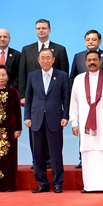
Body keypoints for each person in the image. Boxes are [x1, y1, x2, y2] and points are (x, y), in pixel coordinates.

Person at [69, 50, 103, 193]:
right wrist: (74, 123)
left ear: (100, 61)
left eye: (95, 60)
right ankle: (89, 186)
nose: (92, 62)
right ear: (85, 62)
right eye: (89, 60)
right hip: (85, 126)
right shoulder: (78, 79)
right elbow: (74, 103)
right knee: (87, 153)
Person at [24, 48, 70, 193]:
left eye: (48, 58)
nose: (45, 61)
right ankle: (42, 182)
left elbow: (67, 99)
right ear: (38, 60)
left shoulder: (62, 76)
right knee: (37, 153)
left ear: (53, 60)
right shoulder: (32, 76)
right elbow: (28, 98)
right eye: (42, 58)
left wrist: (65, 116)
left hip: (55, 118)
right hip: (36, 118)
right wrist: (27, 117)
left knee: (56, 152)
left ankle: (58, 183)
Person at [18, 19, 70, 97]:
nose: (41, 30)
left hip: (54, 94)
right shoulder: (27, 50)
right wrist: (22, 96)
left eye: (44, 28)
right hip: (32, 94)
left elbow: (64, 72)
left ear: (49, 30)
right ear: (35, 31)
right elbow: (22, 74)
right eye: (38, 28)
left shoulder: (60, 49)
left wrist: (63, 96)